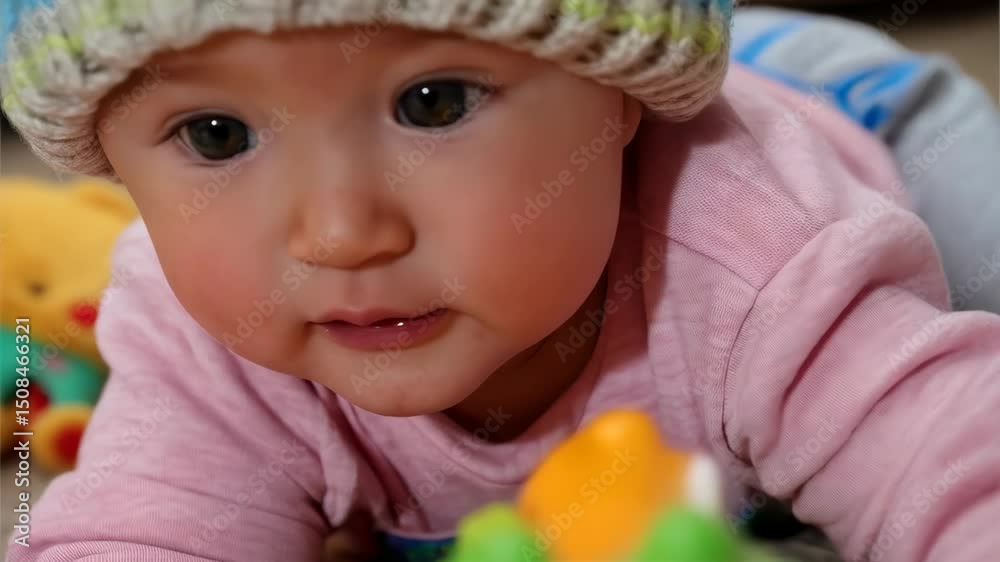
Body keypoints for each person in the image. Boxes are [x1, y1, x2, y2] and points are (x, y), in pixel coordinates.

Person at [2, 1, 998, 561]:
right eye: (216, 135)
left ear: (621, 101)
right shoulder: (195, 329)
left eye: (433, 103)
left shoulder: (757, 258)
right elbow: (146, 533)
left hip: (847, 102)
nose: (340, 234)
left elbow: (955, 467)